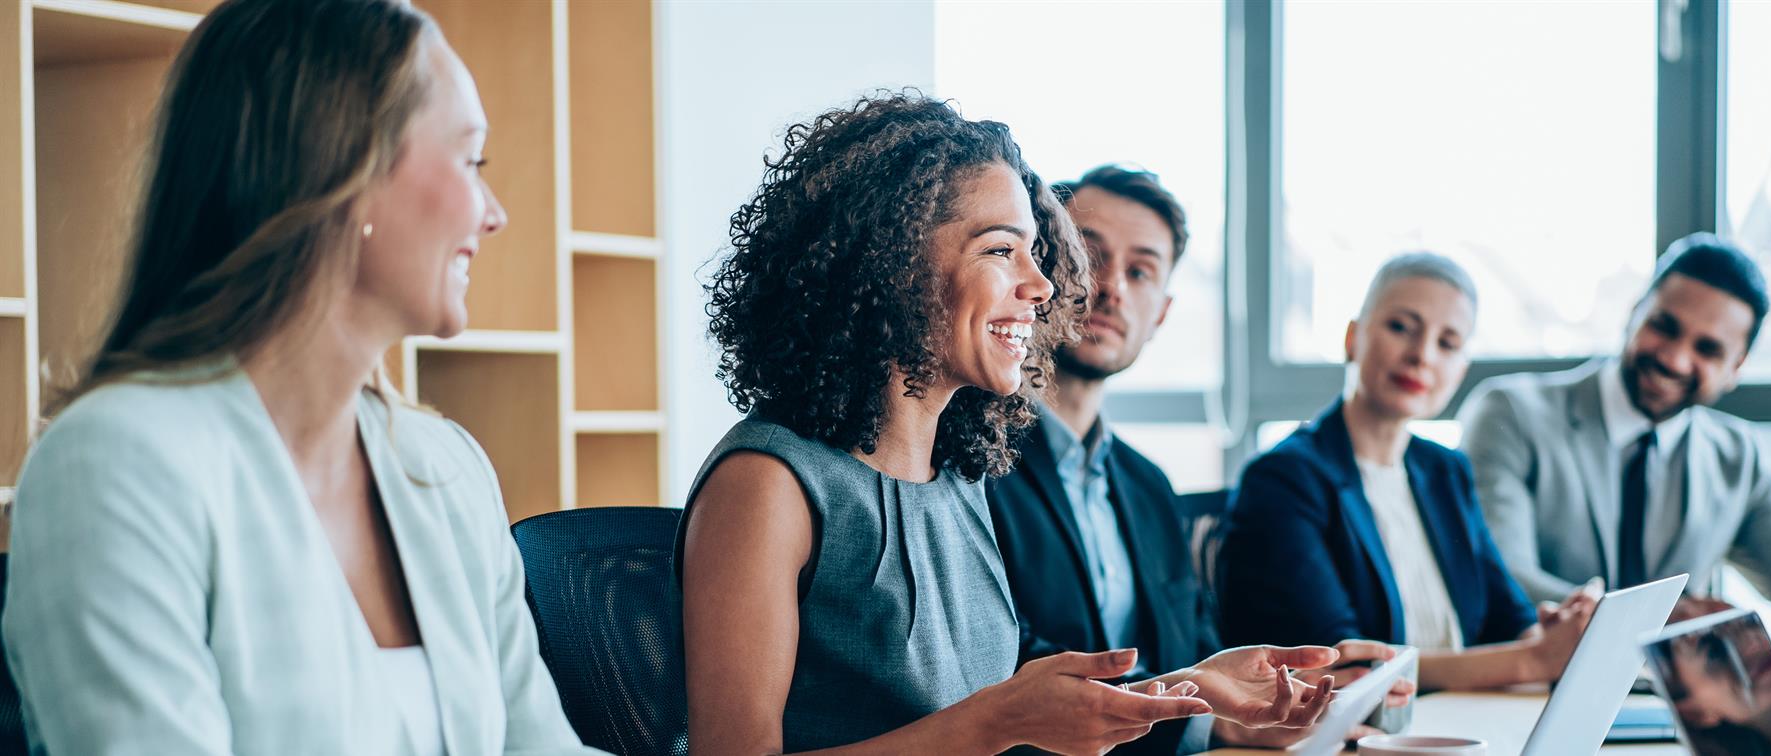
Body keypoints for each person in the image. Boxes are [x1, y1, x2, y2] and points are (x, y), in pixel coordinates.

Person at [0, 1, 597, 753]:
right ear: (348, 170)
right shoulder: (116, 467)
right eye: (471, 160)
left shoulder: (447, 473)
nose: (494, 213)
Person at [679, 93, 1343, 755]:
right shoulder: (767, 483)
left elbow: (1020, 702)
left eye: (1035, 251)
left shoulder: (959, 476)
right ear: (892, 261)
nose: (1043, 285)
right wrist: (994, 725)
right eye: (1002, 251)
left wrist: (1190, 688)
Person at [986, 165, 1411, 753]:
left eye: (1141, 272)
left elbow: (1193, 651)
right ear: (1041, 268)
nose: (1111, 287)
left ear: (1159, 313)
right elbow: (995, 665)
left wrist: (1271, 696)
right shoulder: (973, 459)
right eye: (1089, 254)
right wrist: (1206, 716)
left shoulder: (1148, 485)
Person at [1458, 233, 1771, 656]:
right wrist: (1657, 617)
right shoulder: (1510, 414)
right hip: (1525, 696)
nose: (1675, 358)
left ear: (1736, 367)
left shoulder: (1736, 456)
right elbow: (1501, 577)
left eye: (1708, 349)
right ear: (1634, 312)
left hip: (1679, 713)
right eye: (1665, 326)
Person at [1220, 253, 1599, 691]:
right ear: (1353, 338)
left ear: (1461, 370)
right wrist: (1533, 662)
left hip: (1465, 722)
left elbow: (1508, 617)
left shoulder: (1445, 470)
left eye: (1448, 343)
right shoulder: (1283, 478)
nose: (1422, 355)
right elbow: (1345, 665)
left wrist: (1557, 637)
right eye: (1401, 327)